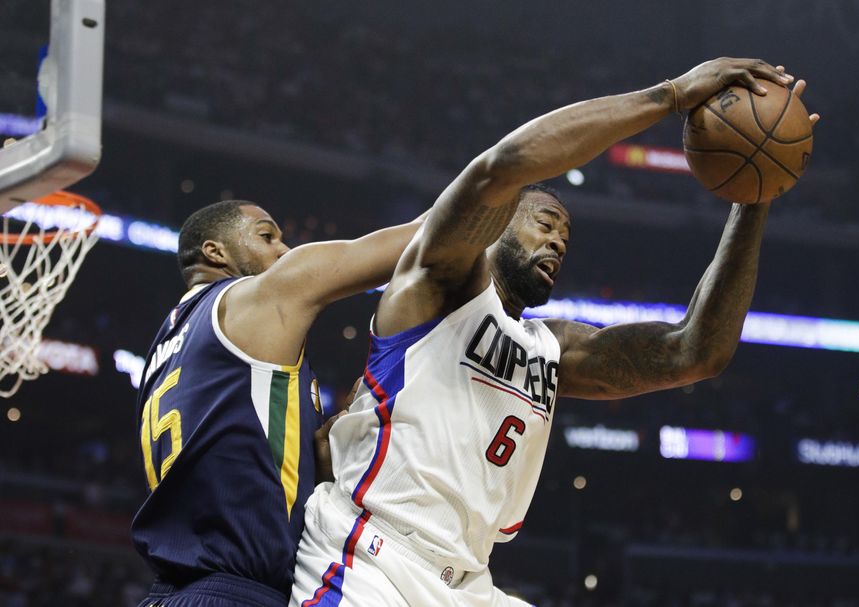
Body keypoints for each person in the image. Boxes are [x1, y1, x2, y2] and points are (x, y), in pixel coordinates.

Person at [291, 58, 820, 606]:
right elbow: (501, 168)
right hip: (372, 557)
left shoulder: (554, 346)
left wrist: (753, 203)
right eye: (544, 223)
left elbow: (696, 351)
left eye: (564, 238)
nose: (558, 243)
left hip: (468, 581)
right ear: (495, 226)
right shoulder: (437, 285)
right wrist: (670, 96)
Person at [133, 200, 426, 607]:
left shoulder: (165, 346)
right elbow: (416, 241)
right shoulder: (251, 301)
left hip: (170, 593)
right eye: (266, 236)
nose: (283, 250)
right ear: (215, 252)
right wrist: (502, 190)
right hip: (237, 592)